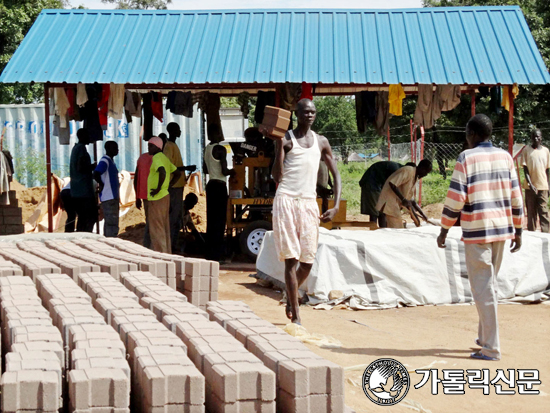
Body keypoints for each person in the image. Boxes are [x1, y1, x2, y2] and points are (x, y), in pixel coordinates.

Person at [437, 114, 523, 361]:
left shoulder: (466, 158)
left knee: (483, 289)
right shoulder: (505, 157)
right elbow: (516, 197)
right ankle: (484, 338)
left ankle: (491, 349)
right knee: (490, 286)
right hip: (501, 230)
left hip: (478, 231)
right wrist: (519, 230)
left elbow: (455, 198)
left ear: (472, 134)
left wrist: (444, 229)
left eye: (466, 132)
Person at [269, 99, 341, 325]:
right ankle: (296, 313)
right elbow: (276, 176)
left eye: (313, 112)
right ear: (296, 114)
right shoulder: (287, 139)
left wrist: (336, 205)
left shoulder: (321, 142)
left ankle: (290, 297)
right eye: (305, 112)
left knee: (307, 261)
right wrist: (279, 145)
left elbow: (336, 175)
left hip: (309, 203)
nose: (309, 115)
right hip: (286, 201)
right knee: (291, 260)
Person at [163, 122, 196, 252]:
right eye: (178, 129)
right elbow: (169, 166)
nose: (180, 131)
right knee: (173, 217)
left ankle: (172, 244)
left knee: (176, 217)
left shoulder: (173, 145)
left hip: (178, 185)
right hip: (174, 186)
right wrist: (187, 168)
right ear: (172, 131)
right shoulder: (169, 146)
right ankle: (170, 246)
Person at [204, 123, 234, 262]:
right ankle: (218, 255)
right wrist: (233, 171)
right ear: (216, 134)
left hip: (210, 185)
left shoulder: (207, 149)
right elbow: (224, 171)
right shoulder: (220, 149)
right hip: (220, 185)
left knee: (211, 220)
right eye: (219, 133)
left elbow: (205, 169)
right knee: (220, 220)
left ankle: (210, 253)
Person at [146, 136, 181, 253]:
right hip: (165, 196)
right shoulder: (164, 158)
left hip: (157, 197)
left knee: (156, 228)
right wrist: (169, 186)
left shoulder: (157, 158)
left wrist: (157, 189)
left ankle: (160, 254)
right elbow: (177, 173)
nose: (148, 149)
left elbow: (162, 171)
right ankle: (166, 252)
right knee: (164, 226)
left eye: (150, 146)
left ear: (157, 147)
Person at [375, 159, 432, 228]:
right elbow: (392, 183)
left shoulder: (415, 177)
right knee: (397, 227)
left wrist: (420, 215)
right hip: (389, 201)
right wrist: (403, 199)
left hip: (394, 203)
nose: (425, 174)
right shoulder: (408, 170)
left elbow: (411, 200)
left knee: (394, 227)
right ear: (422, 168)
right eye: (426, 172)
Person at [522, 128, 550, 232]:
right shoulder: (526, 150)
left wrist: (548, 186)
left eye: (538, 136)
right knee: (531, 212)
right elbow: (525, 169)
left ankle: (546, 235)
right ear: (531, 138)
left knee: (543, 211)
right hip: (530, 188)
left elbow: (547, 171)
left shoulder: (546, 151)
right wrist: (530, 183)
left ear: (541, 138)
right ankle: (532, 235)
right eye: (534, 136)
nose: (536, 138)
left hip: (543, 186)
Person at [69, 128, 97, 232]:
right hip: (83, 191)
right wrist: (92, 167)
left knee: (83, 217)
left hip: (77, 190)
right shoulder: (81, 149)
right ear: (83, 136)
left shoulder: (76, 148)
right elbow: (81, 167)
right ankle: (85, 236)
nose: (90, 138)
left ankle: (81, 235)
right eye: (88, 135)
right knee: (89, 216)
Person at [359, 161, 403, 226]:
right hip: (371, 185)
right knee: (374, 212)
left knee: (382, 212)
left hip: (377, 185)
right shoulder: (396, 169)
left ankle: (382, 231)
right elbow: (393, 185)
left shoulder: (397, 168)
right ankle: (373, 231)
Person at [94, 141, 120, 238]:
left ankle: (109, 240)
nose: (117, 150)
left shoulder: (110, 161)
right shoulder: (105, 161)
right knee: (112, 223)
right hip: (109, 197)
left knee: (111, 222)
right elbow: (96, 173)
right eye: (115, 148)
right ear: (108, 149)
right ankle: (111, 242)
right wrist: (101, 184)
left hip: (111, 196)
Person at [134, 149, 153, 248]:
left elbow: (136, 178)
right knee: (154, 221)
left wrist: (137, 197)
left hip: (145, 195)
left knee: (149, 220)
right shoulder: (159, 158)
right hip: (156, 195)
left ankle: (148, 244)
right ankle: (148, 245)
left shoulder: (142, 158)